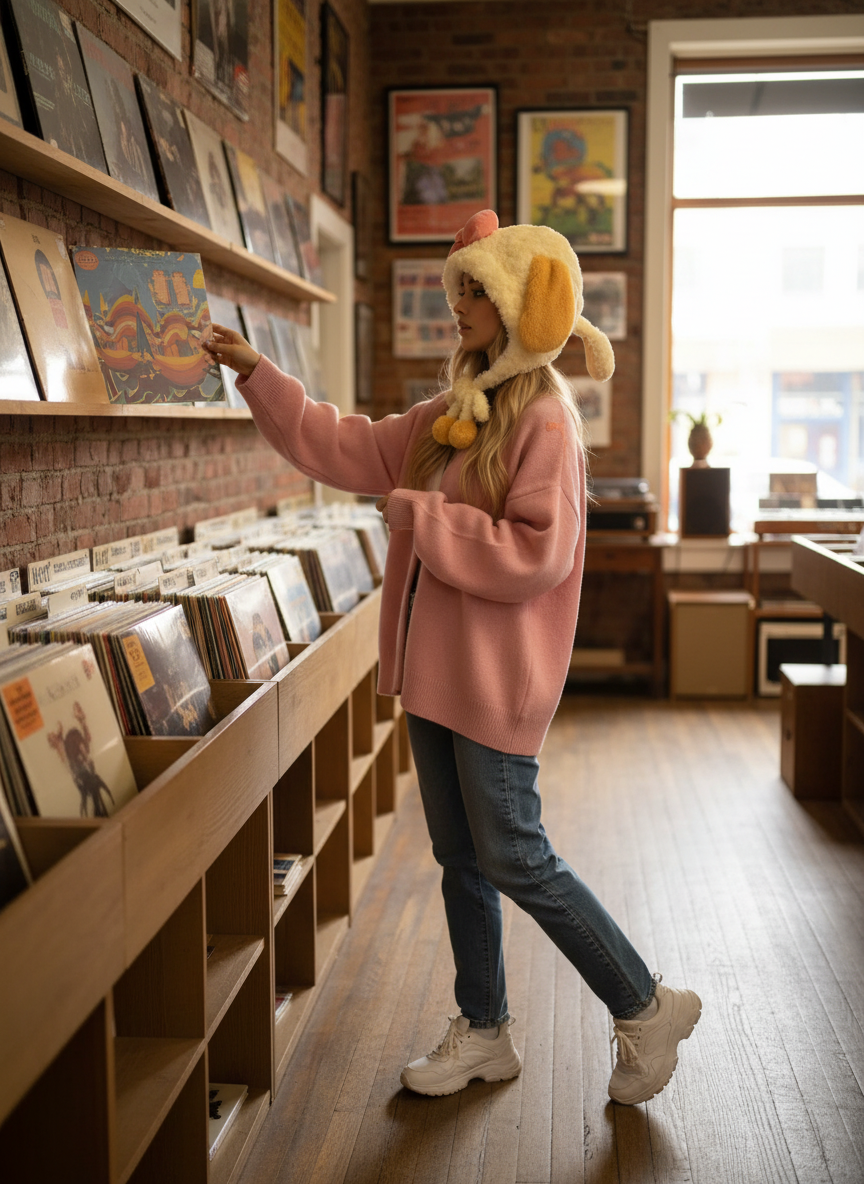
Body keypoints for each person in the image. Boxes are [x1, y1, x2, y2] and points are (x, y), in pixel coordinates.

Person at [204, 209, 701, 1106]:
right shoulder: (449, 414)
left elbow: (535, 553)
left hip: (494, 684)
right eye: (459, 288)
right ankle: (484, 1031)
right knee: (461, 858)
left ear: (517, 306)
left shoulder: (544, 419)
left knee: (516, 856)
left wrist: (420, 515)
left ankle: (646, 1005)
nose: (458, 305)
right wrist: (258, 375)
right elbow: (347, 445)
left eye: (476, 290)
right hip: (434, 679)